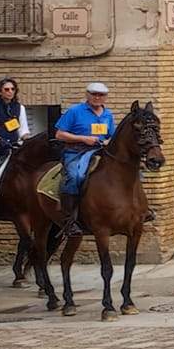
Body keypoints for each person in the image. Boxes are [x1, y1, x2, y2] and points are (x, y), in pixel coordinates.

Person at [52, 83, 117, 237]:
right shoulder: (75, 111)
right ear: (87, 95)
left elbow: (111, 136)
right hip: (77, 152)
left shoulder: (108, 114)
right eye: (94, 94)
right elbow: (59, 134)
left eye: (100, 95)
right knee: (76, 177)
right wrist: (82, 138)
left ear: (105, 98)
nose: (97, 97)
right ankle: (69, 220)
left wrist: (110, 141)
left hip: (100, 151)